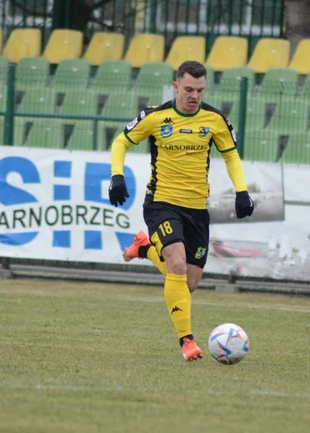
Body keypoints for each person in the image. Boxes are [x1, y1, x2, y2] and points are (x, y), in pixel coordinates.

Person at [108, 60, 255, 361]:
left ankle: (144, 250)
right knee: (175, 263)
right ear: (176, 86)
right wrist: (116, 175)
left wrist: (242, 191)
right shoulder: (155, 117)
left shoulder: (215, 120)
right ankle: (187, 341)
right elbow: (121, 142)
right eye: (188, 89)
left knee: (187, 284)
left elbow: (231, 157)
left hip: (197, 209)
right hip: (161, 203)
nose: (194, 96)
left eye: (200, 90)